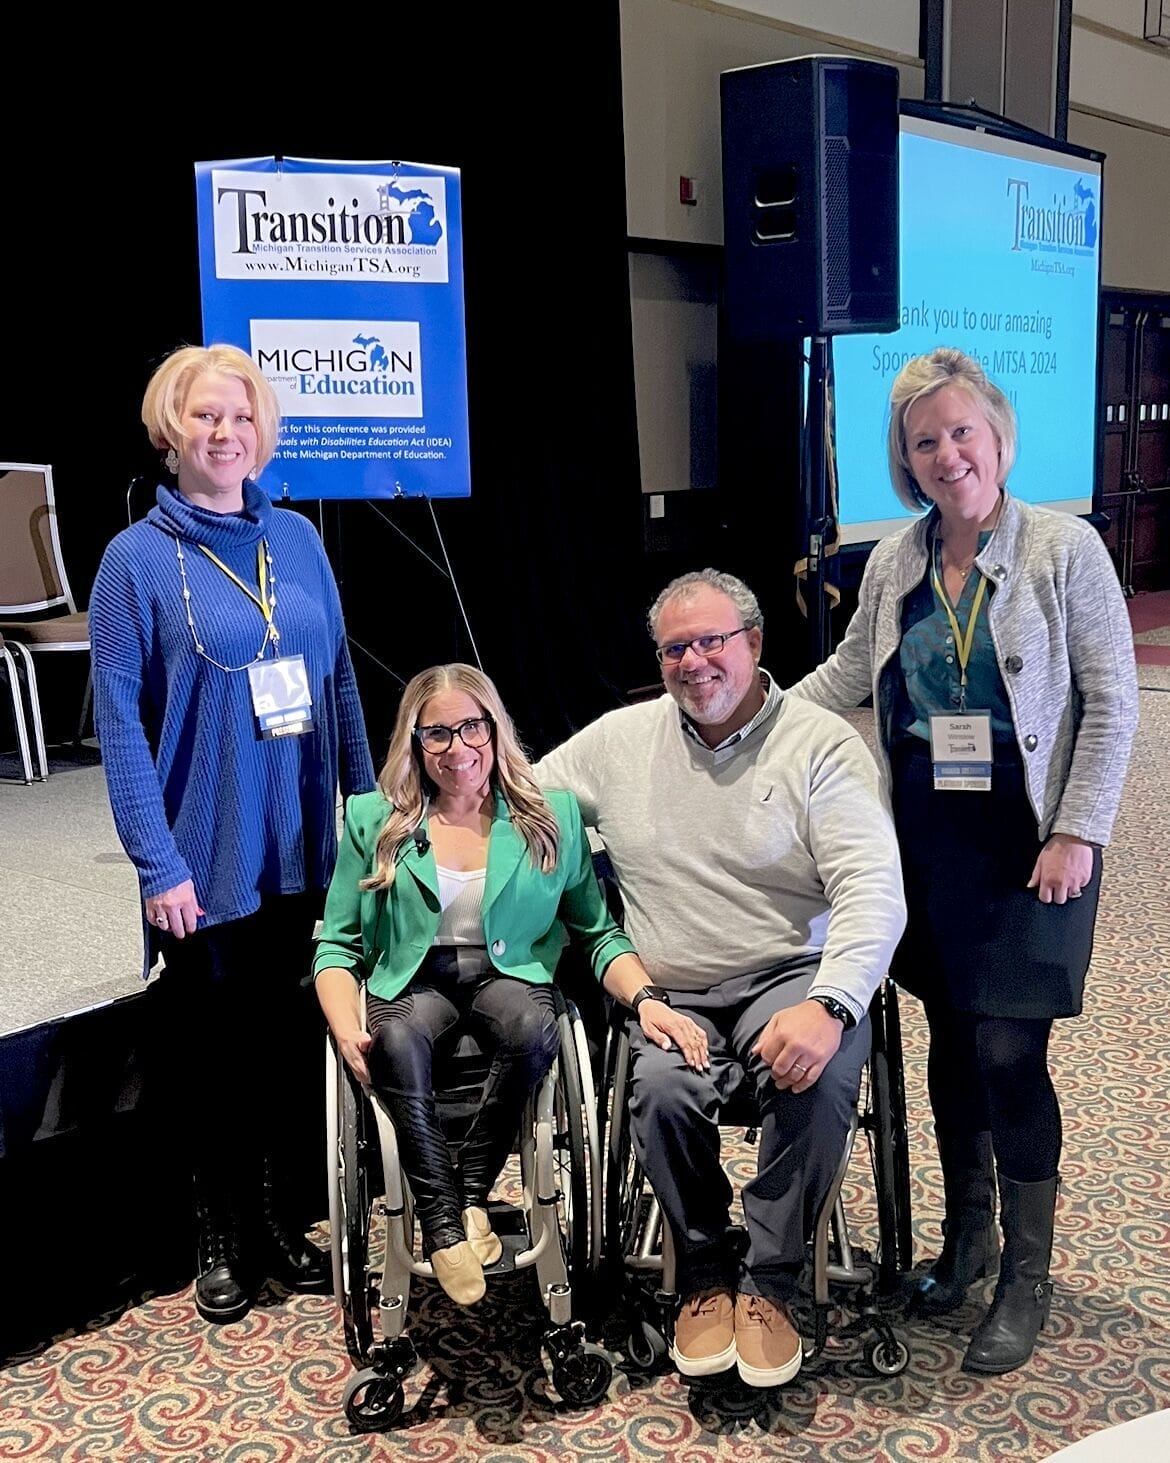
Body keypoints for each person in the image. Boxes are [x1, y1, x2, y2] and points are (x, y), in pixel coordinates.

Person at [787, 347, 1139, 1374]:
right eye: (924, 441)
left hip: (1033, 846)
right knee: (950, 1046)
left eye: (961, 432)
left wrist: (1079, 829)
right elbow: (851, 672)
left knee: (1006, 1052)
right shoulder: (896, 559)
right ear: (907, 461)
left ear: (998, 435)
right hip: (930, 848)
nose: (948, 454)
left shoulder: (1065, 550)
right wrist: (748, 713)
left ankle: (1025, 1277)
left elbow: (1112, 702)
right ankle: (966, 1244)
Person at [533, 571, 906, 1387]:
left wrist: (832, 1004)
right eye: (675, 647)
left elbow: (873, 886)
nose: (694, 661)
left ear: (755, 644)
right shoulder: (619, 742)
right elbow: (518, 797)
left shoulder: (821, 743)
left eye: (713, 641)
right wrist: (399, 814)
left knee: (820, 1074)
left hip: (793, 972)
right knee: (660, 1092)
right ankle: (703, 1267)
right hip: (675, 990)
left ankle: (771, 1279)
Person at [90, 344, 376, 1324]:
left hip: (301, 838)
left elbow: (335, 680)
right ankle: (217, 1226)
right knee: (211, 1047)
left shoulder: (296, 538)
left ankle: (274, 1215)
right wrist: (154, 859)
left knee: (286, 1032)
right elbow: (118, 723)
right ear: (173, 432)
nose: (225, 434)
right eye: (207, 418)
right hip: (201, 851)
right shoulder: (132, 561)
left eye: (242, 418)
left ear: (263, 433)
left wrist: (367, 808)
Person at [313, 663, 706, 1307]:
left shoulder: (549, 818)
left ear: (495, 730)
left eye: (471, 727)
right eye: (435, 734)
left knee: (534, 1025)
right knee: (395, 1042)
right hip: (415, 980)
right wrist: (343, 1024)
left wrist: (645, 999)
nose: (457, 749)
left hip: (508, 976)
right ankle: (444, 1221)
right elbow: (336, 945)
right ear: (414, 743)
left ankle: (468, 1193)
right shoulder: (374, 820)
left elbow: (596, 932)